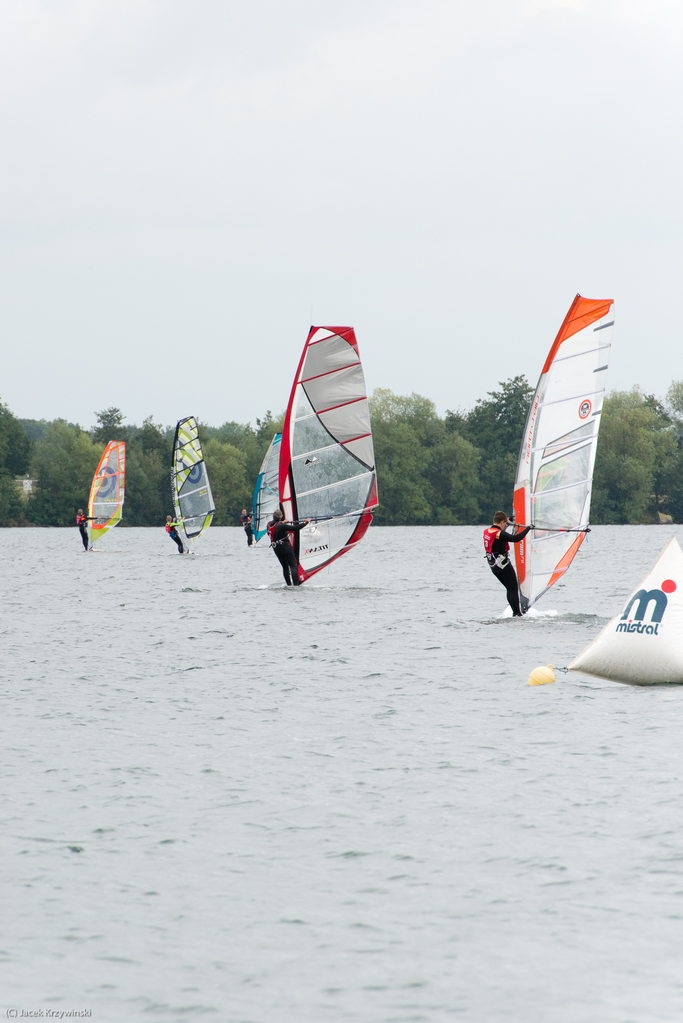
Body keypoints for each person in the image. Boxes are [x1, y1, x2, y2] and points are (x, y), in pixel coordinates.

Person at [483, 511, 533, 617]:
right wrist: (528, 528)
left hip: (494, 566)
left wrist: (508, 521)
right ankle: (517, 613)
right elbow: (515, 538)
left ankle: (515, 612)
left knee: (509, 588)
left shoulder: (487, 531)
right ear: (501, 522)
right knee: (513, 588)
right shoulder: (499, 534)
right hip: (503, 565)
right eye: (504, 523)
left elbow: (500, 534)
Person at [268, 508, 311, 586]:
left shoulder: (269, 524)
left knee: (285, 567)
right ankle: (295, 585)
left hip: (276, 548)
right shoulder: (281, 526)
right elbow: (296, 528)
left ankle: (289, 585)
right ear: (281, 517)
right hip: (285, 547)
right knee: (293, 565)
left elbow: (276, 525)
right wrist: (306, 522)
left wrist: (282, 523)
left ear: (273, 517)